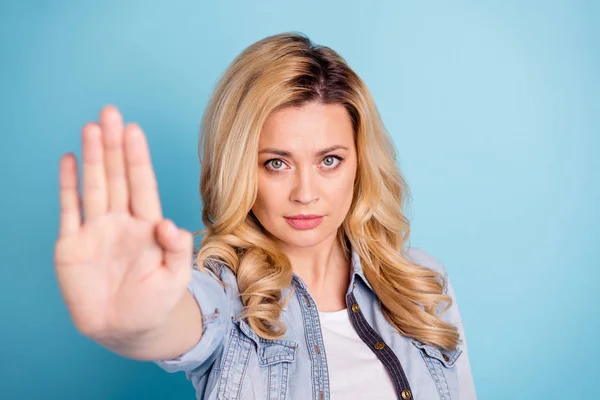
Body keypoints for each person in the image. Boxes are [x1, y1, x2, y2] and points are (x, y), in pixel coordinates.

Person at [54, 32, 476, 400]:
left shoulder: (422, 284)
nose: (306, 194)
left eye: (329, 160)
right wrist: (137, 324)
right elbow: (183, 321)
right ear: (241, 170)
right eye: (277, 163)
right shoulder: (226, 295)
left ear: (360, 164)